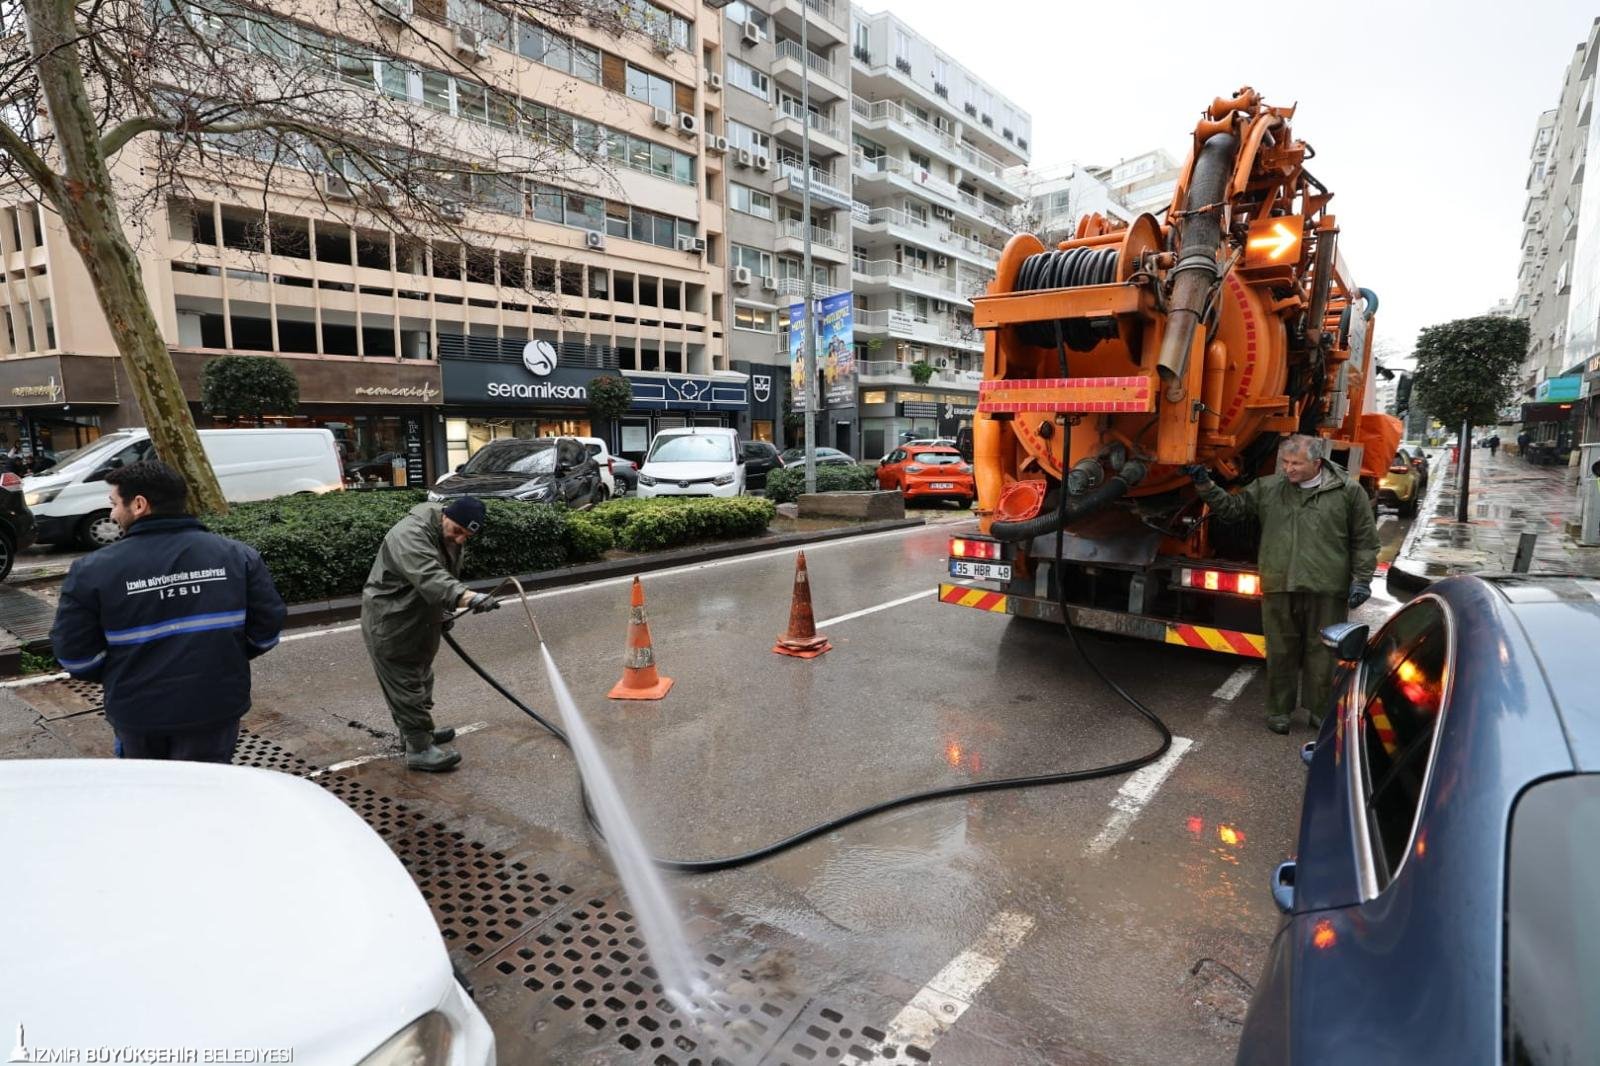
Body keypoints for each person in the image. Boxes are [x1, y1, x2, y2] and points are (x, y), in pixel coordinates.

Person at [49, 460, 286, 762]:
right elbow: (266, 631)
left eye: (114, 503)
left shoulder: (91, 570)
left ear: (139, 504)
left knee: (151, 799)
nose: (111, 514)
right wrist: (224, 655)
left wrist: (125, 673)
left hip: (139, 714)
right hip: (216, 707)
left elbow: (75, 656)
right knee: (207, 795)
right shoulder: (238, 556)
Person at [1184, 435, 1379, 734]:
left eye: (1296, 464)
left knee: (1323, 652)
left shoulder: (1348, 492)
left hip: (1327, 586)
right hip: (1279, 583)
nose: (1289, 469)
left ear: (1317, 463)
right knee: (1280, 650)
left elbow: (1365, 540)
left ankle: (1318, 710)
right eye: (1285, 462)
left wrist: (1362, 580)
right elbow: (1232, 510)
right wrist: (1205, 485)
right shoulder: (1269, 488)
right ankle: (1279, 712)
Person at [361, 496, 499, 772]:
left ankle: (416, 732)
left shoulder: (445, 533)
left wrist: (445, 611)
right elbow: (429, 575)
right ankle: (419, 749)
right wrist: (466, 597)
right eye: (458, 531)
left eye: (467, 536)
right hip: (392, 622)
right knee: (407, 685)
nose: (460, 540)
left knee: (422, 678)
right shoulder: (410, 535)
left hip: (419, 620)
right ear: (445, 515)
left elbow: (443, 575)